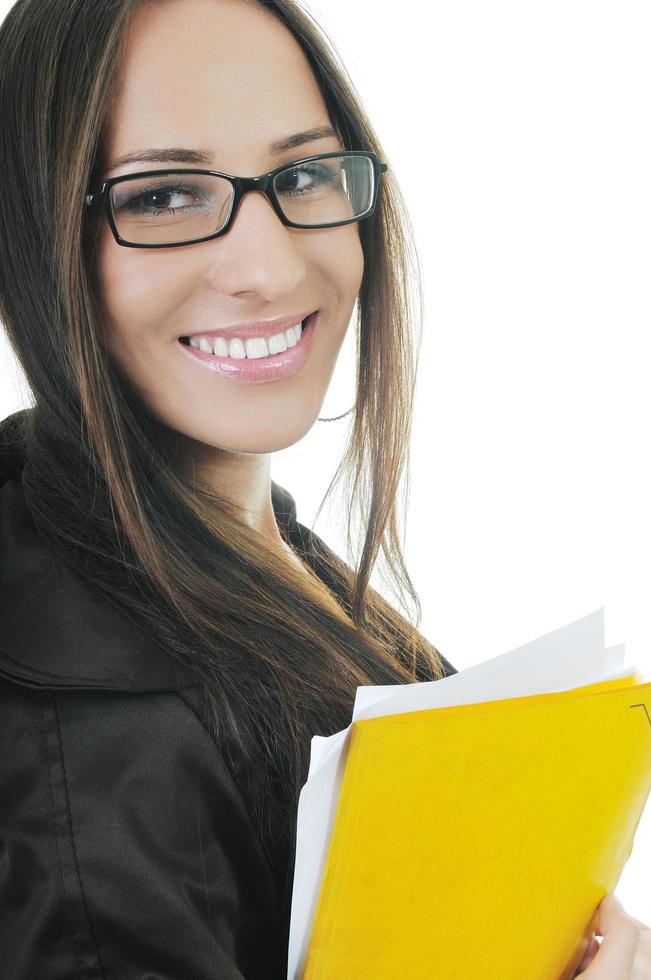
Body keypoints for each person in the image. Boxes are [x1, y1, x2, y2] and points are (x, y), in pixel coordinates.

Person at [0, 1, 647, 978]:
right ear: (34, 232)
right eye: (164, 196)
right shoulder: (98, 749)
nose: (268, 267)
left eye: (302, 174)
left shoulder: (247, 544)